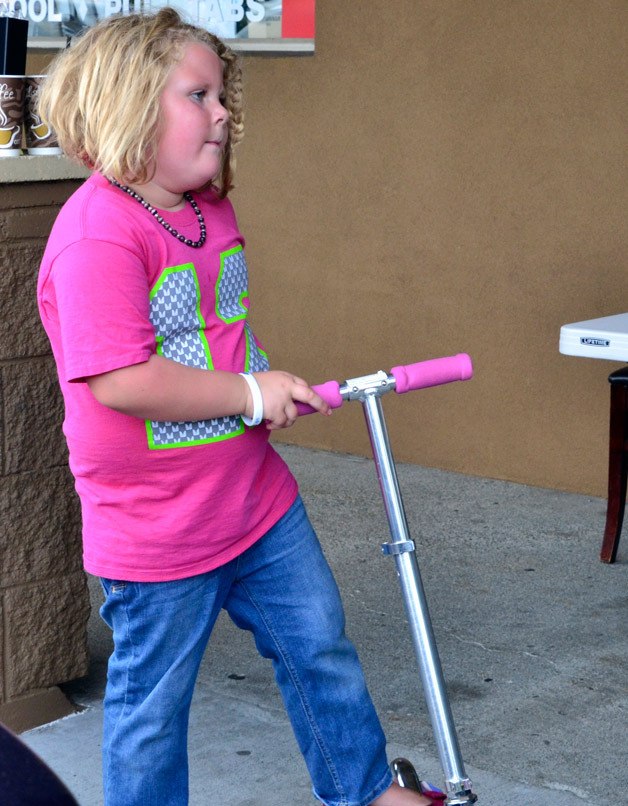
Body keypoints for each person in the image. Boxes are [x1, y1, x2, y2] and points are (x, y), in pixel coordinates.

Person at [36, 8, 435, 806]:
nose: (223, 112)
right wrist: (252, 391)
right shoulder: (98, 236)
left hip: (254, 500)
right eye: (199, 95)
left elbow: (216, 336)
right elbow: (120, 378)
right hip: (157, 529)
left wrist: (258, 396)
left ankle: (363, 788)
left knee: (318, 644)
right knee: (152, 708)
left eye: (223, 95)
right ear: (130, 105)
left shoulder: (206, 209)